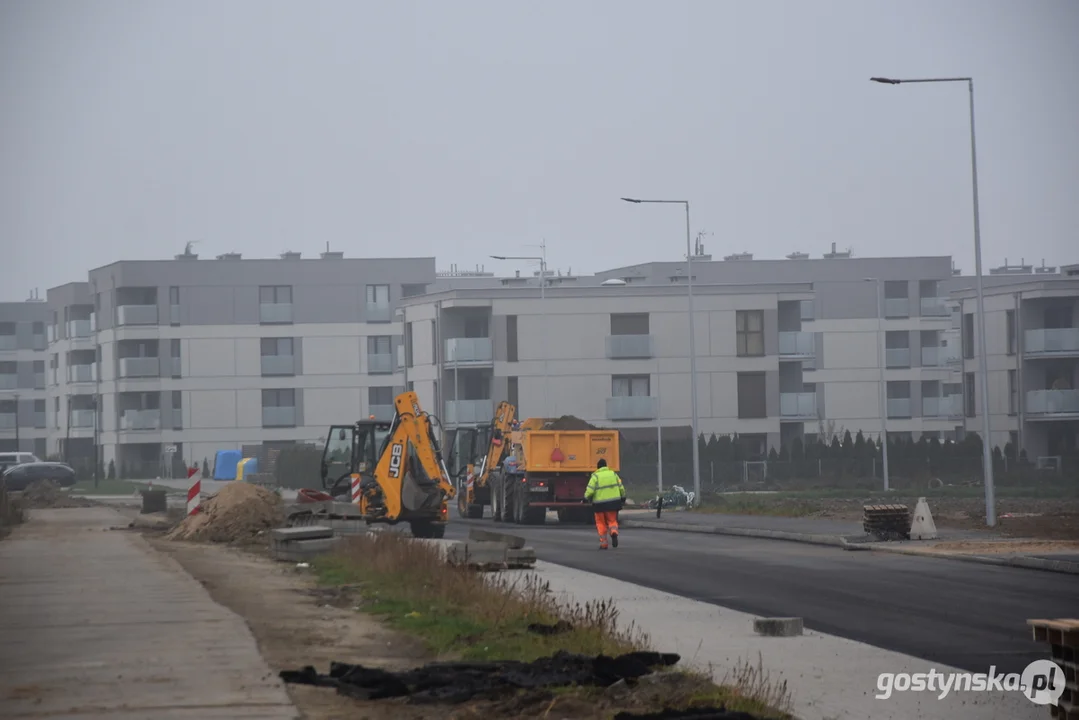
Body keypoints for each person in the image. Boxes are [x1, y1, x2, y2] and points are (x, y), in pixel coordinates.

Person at [584, 458, 626, 549]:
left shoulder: (595, 476)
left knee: (601, 523)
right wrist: (623, 497)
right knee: (612, 520)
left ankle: (604, 544)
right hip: (613, 503)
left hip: (599, 505)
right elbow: (621, 487)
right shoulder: (613, 474)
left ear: (598, 467)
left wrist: (585, 498)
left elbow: (590, 490)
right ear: (606, 466)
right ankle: (614, 532)